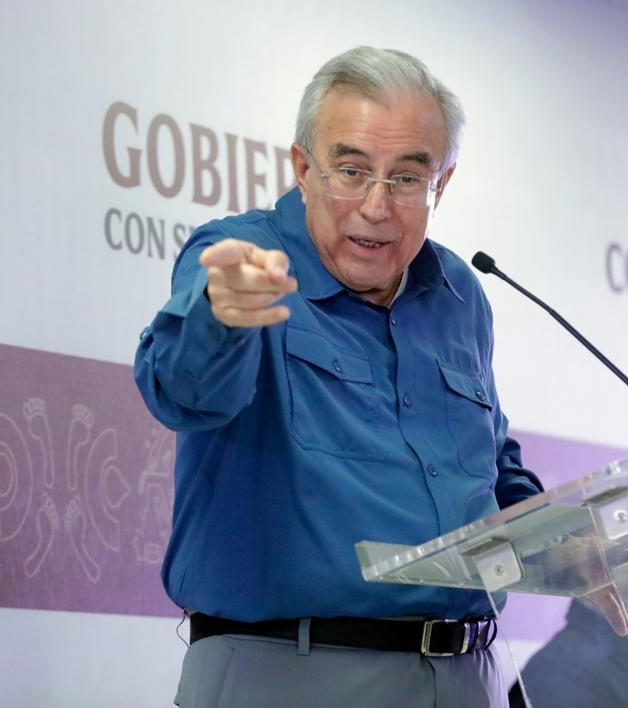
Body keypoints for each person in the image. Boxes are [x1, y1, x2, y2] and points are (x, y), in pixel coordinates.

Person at [134, 46, 543, 707]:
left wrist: (571, 541)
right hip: (291, 673)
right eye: (351, 171)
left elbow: (493, 464)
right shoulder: (244, 259)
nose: (377, 206)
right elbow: (181, 390)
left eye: (406, 179)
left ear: (441, 184)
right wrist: (215, 313)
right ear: (303, 168)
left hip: (469, 675)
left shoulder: (459, 293)